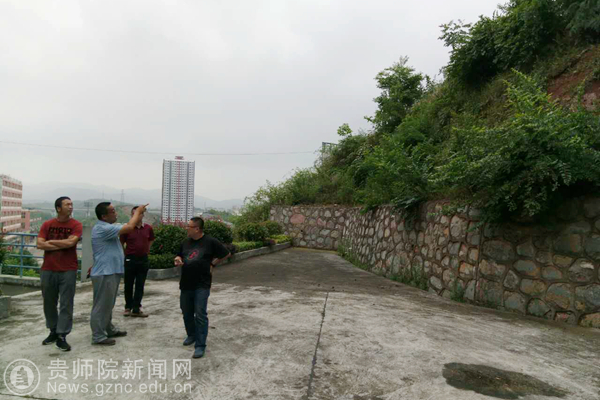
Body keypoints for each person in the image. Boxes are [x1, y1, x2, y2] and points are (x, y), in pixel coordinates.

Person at [90, 202, 147, 345]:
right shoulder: (103, 228)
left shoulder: (108, 227)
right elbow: (129, 227)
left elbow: (127, 226)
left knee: (108, 304)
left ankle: (108, 328)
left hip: (110, 271)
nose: (115, 213)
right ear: (104, 216)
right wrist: (137, 212)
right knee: (101, 305)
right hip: (105, 272)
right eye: (112, 211)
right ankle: (98, 336)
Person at [174, 217, 230, 359]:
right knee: (186, 312)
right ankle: (191, 335)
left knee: (200, 314)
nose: (187, 228)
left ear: (197, 229)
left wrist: (213, 264)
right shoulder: (185, 242)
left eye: (189, 226)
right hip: (186, 283)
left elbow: (225, 253)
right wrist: (178, 259)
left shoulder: (210, 242)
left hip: (202, 284)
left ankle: (200, 345)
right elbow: (179, 255)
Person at [36, 196, 82, 352]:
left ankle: (62, 335)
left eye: (72, 204)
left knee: (66, 303)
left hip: (68, 269)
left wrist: (49, 243)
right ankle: (53, 330)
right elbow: (39, 244)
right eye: (67, 204)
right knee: (48, 302)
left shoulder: (76, 224)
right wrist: (62, 244)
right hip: (48, 269)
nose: (71, 207)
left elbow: (71, 242)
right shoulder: (47, 224)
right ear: (58, 208)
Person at [120, 206, 154, 317]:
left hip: (143, 259)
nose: (136, 216)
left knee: (140, 284)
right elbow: (121, 242)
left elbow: (151, 239)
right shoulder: (127, 228)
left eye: (139, 214)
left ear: (142, 215)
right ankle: (128, 307)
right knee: (128, 284)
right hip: (130, 259)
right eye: (134, 214)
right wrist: (125, 253)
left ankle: (136, 308)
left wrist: (147, 250)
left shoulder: (148, 228)